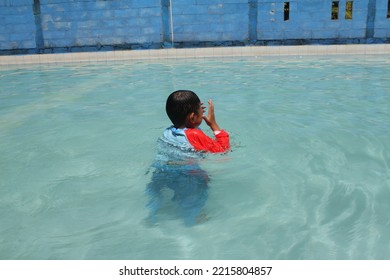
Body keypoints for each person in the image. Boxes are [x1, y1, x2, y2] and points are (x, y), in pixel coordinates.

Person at [146, 90, 230, 226]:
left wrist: (195, 113)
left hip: (161, 169)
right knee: (196, 196)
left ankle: (152, 215)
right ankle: (193, 221)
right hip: (186, 174)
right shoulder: (195, 135)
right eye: (201, 113)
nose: (203, 114)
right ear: (192, 117)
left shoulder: (167, 132)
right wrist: (213, 124)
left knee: (155, 195)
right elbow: (223, 150)